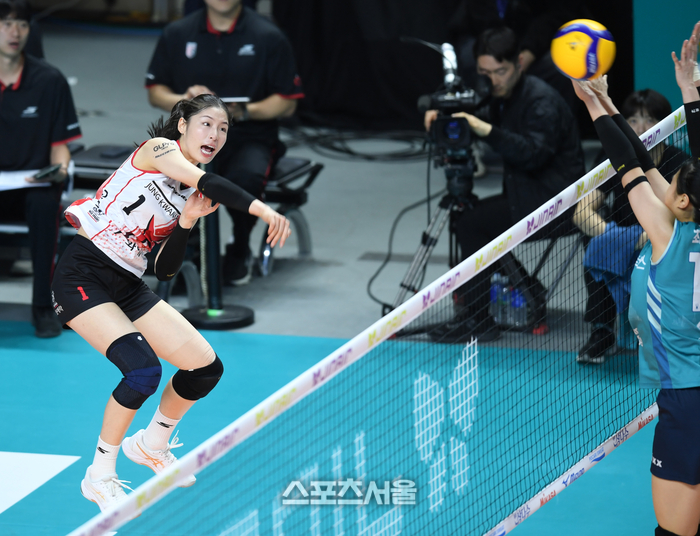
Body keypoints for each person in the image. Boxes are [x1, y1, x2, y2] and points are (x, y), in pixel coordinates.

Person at [52, 94, 291, 512]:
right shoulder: (158, 150)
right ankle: (99, 475)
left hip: (128, 284)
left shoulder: (192, 191)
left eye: (223, 129)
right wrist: (264, 211)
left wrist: (186, 220)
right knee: (142, 371)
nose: (214, 135)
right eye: (206, 124)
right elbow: (212, 183)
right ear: (182, 125)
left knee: (205, 368)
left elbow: (164, 271)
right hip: (82, 276)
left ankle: (151, 444)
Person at [574, 21, 700, 536]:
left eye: (674, 179)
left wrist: (590, 104)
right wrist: (608, 100)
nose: (665, 176)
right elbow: (644, 160)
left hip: (686, 398)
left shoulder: (667, 235)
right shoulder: (676, 221)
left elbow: (627, 163)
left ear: (683, 199)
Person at [425, 26, 585, 341]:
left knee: (472, 225)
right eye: (485, 73)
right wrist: (440, 112)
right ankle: (524, 290)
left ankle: (479, 320)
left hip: (555, 206)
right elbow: (479, 107)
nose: (493, 80)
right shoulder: (504, 94)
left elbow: (532, 154)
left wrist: (484, 129)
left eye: (500, 72)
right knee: (469, 216)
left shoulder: (540, 101)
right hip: (527, 196)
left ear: (519, 64)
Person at [145, 0, 303, 286]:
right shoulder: (177, 33)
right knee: (171, 180)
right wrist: (186, 100)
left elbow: (287, 102)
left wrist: (243, 112)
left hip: (250, 136)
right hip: (191, 139)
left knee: (246, 178)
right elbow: (155, 92)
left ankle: (239, 247)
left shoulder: (269, 36)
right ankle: (187, 250)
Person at [573, 86, 687, 364]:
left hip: (661, 241)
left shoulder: (679, 163)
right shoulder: (613, 157)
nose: (641, 127)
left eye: (649, 119)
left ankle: (664, 330)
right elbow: (581, 212)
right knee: (594, 242)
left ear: (664, 124)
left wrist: (647, 236)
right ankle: (602, 331)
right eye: (633, 119)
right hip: (625, 237)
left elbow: (681, 220)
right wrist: (615, 238)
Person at [0, 0, 81, 338]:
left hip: (33, 185)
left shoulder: (50, 80)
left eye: (22, 24)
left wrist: (59, 169)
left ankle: (44, 307)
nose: (15, 32)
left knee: (45, 203)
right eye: (6, 23)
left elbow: (60, 147)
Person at [446, 0, 589, 113]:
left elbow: (555, 15)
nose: (494, 81)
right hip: (489, 45)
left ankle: (557, 121)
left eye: (500, 72)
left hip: (533, 45)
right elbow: (470, 21)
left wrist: (529, 51)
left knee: (561, 64)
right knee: (469, 59)